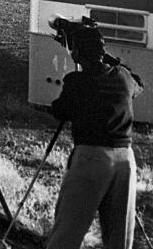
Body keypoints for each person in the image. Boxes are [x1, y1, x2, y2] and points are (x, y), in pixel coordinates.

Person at [46, 27, 142, 249]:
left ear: (77, 52)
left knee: (67, 232)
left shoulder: (77, 81)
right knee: (119, 238)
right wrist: (103, 56)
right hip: (126, 161)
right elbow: (138, 82)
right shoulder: (124, 77)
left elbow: (60, 110)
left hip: (92, 159)